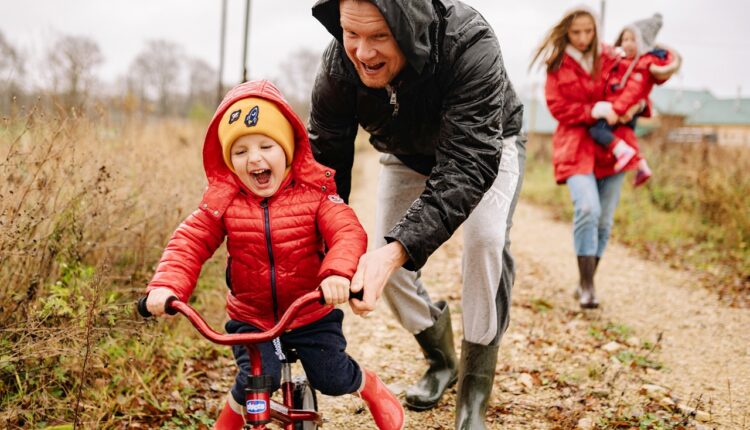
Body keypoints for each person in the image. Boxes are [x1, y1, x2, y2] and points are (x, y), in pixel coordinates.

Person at [309, 0, 525, 428]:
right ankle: (442, 360)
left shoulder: (470, 43)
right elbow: (324, 172)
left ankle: (473, 395)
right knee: (381, 260)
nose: (362, 53)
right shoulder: (338, 65)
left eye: (378, 37)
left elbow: (467, 164)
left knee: (484, 241)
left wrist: (396, 250)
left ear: (408, 27)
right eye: (352, 34)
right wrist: (327, 252)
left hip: (486, 146)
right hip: (404, 153)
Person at [143, 80, 404, 430]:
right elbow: (188, 243)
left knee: (332, 377)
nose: (254, 158)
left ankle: (369, 387)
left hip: (310, 310)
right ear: (228, 160)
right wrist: (166, 286)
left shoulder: (315, 194)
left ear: (288, 150)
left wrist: (336, 274)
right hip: (252, 318)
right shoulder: (223, 202)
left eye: (267, 145)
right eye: (240, 151)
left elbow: (347, 231)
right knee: (256, 378)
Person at [532, 7, 648, 309]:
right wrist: (592, 111)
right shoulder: (557, 64)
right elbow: (557, 107)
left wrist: (636, 105)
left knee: (604, 220)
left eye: (588, 31)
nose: (583, 38)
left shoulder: (611, 56)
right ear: (566, 32)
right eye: (576, 32)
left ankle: (587, 282)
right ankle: (586, 286)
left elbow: (636, 82)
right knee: (587, 208)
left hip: (612, 147)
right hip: (575, 146)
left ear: (595, 30)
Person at [588, 13, 681, 186]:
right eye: (625, 39)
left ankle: (621, 151)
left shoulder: (641, 65)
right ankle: (641, 165)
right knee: (626, 135)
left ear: (643, 43)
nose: (627, 44)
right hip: (622, 109)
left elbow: (633, 91)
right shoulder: (623, 62)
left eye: (633, 40)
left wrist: (617, 110)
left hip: (620, 110)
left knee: (597, 131)